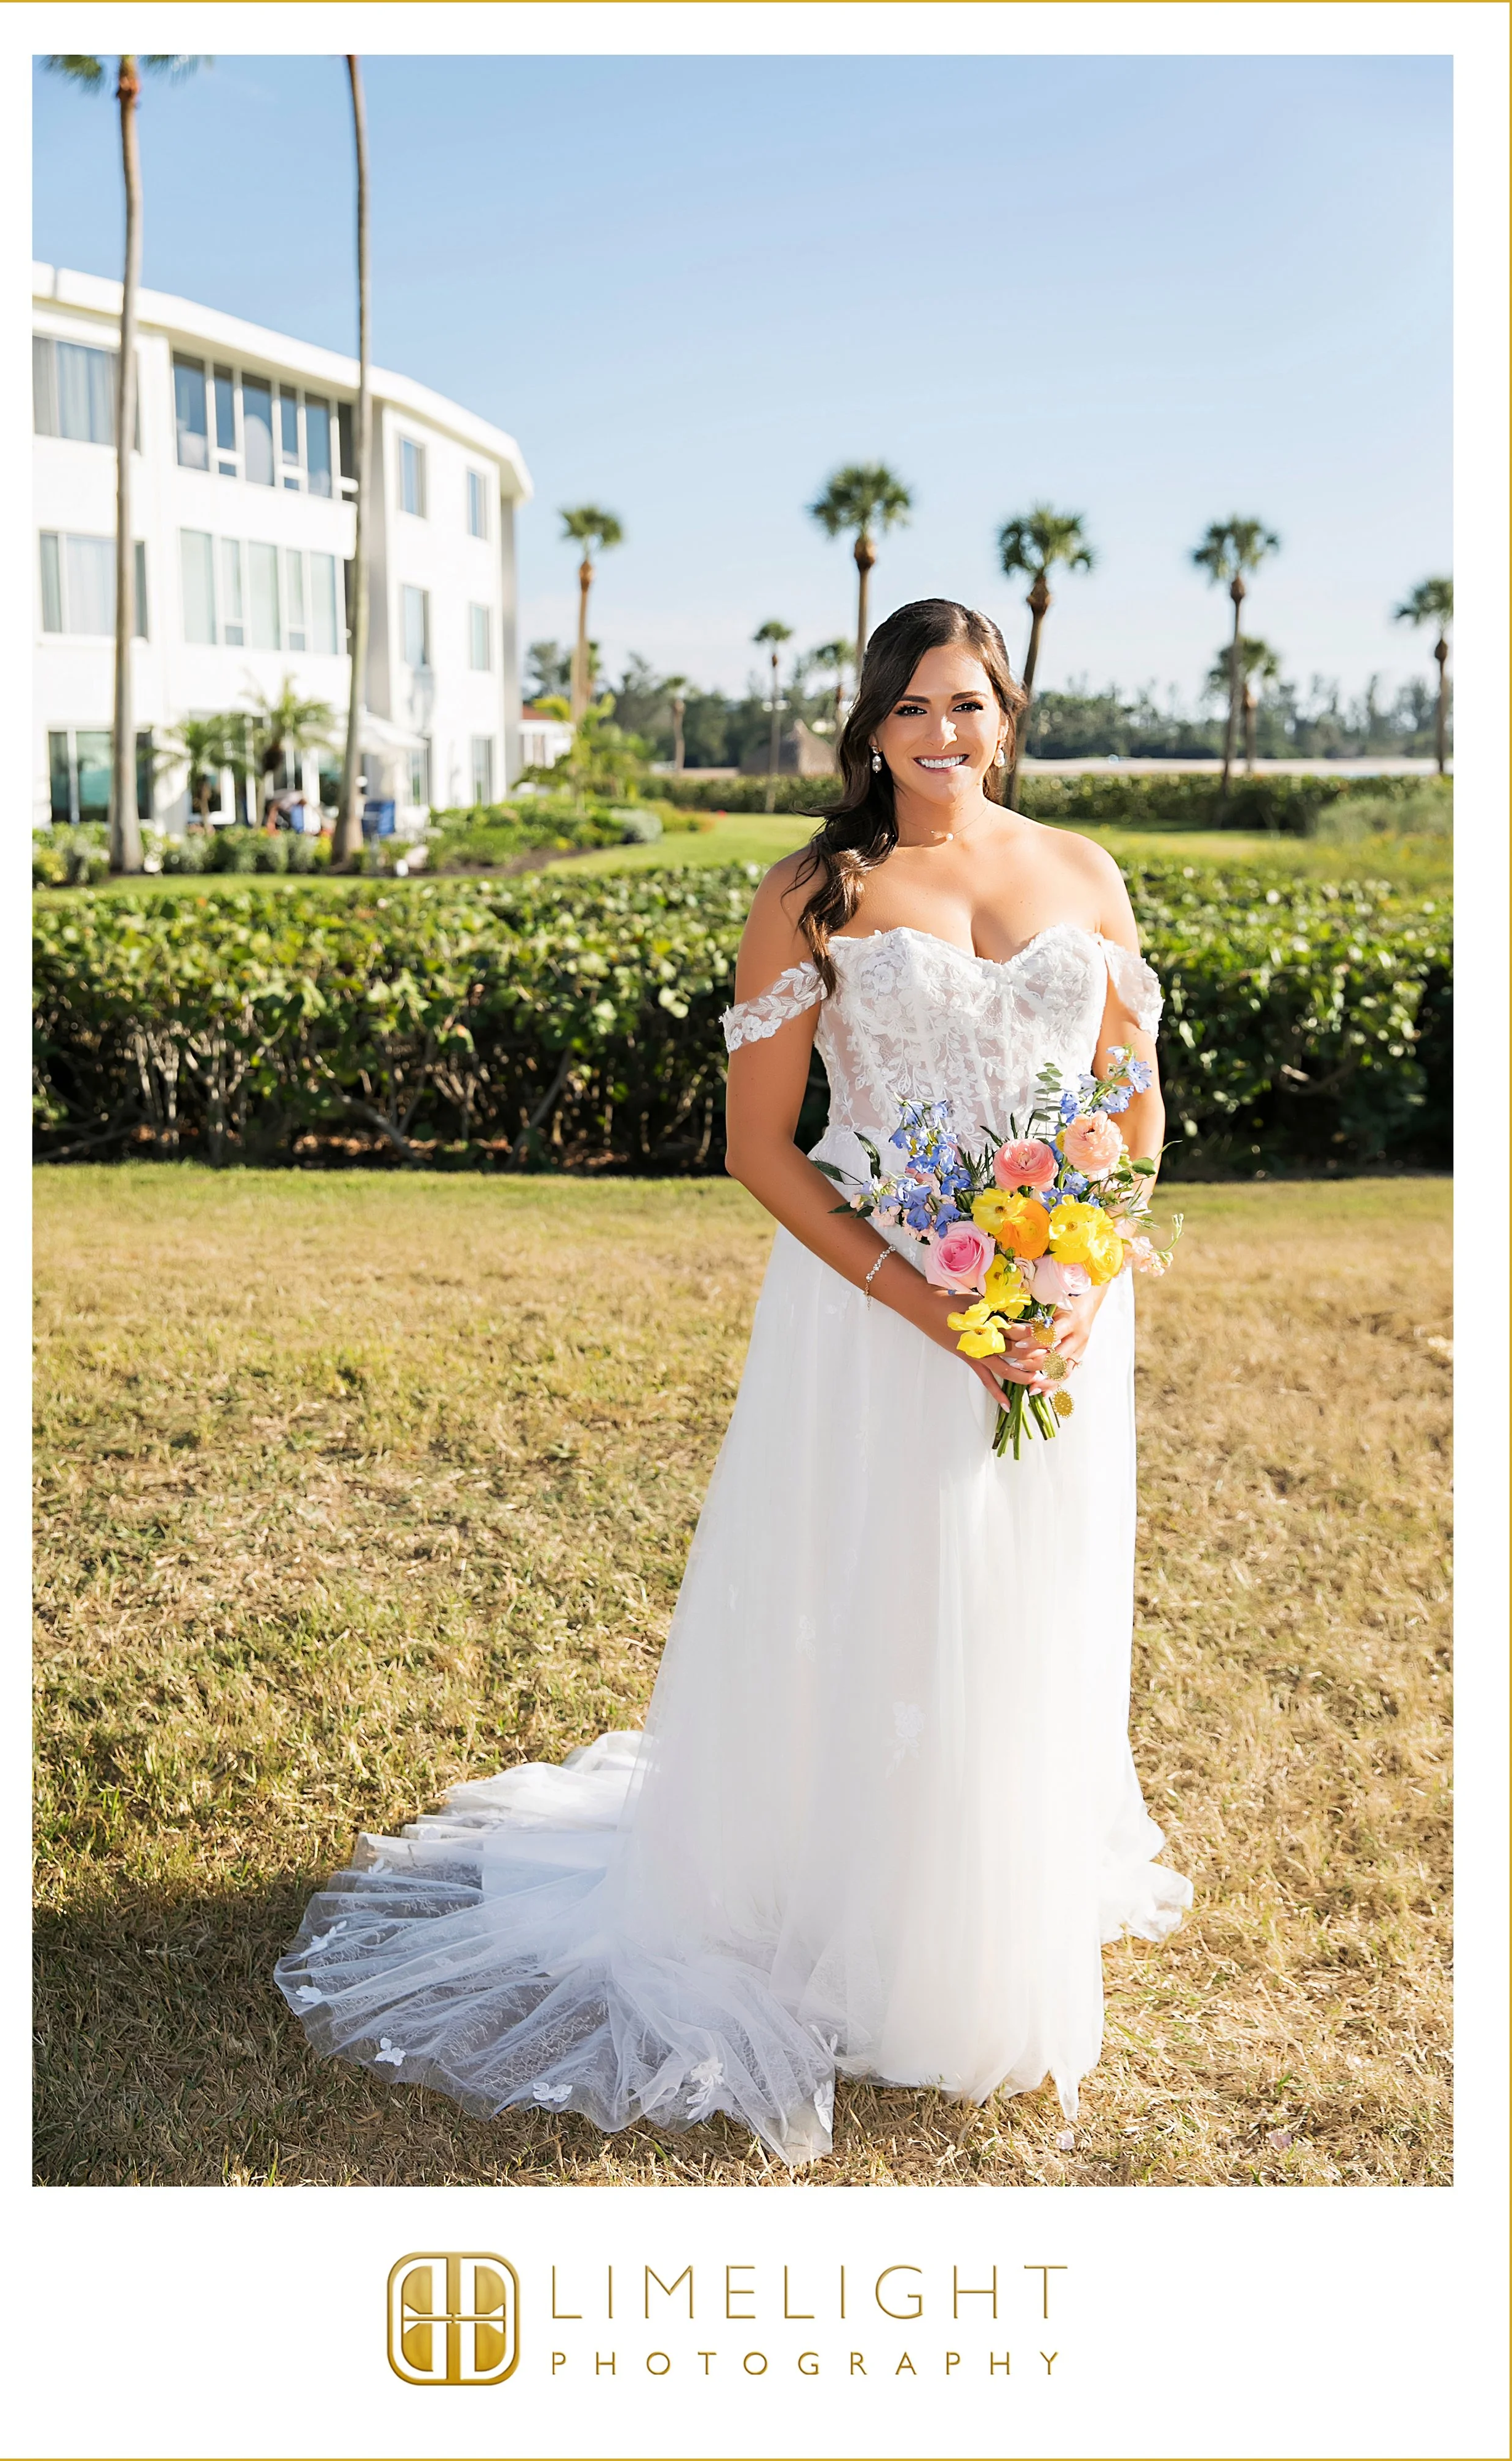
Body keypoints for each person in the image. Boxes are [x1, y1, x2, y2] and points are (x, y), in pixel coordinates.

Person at [276, 597, 1191, 2164]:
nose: (942, 736)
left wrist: (1065, 1291)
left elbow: (1135, 1115)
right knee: (886, 1595)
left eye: (967, 704)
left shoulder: (1083, 874)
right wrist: (936, 1303)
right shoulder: (815, 890)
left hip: (1051, 1323)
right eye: (911, 709)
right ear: (870, 726)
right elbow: (758, 1145)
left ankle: (985, 1902)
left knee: (1022, 1607)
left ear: (1006, 711)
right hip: (874, 1317)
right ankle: (844, 1904)